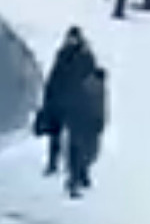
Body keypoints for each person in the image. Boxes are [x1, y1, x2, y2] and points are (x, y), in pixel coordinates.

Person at [36, 26, 97, 177]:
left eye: (74, 38)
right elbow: (55, 75)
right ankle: (53, 163)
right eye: (70, 38)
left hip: (76, 103)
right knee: (55, 135)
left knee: (76, 140)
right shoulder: (63, 54)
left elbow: (89, 80)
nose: (71, 41)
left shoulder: (86, 57)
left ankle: (79, 172)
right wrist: (48, 97)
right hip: (60, 101)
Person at [66, 66, 107, 198]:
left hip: (79, 125)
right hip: (87, 126)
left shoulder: (83, 86)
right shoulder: (97, 90)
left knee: (78, 153)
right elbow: (99, 109)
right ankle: (76, 182)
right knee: (86, 153)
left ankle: (76, 179)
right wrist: (100, 122)